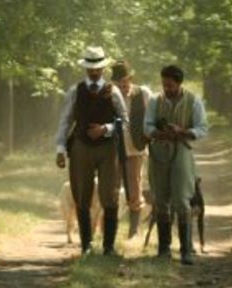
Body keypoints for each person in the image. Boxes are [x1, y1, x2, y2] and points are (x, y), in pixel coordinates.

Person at [55, 46, 128, 256]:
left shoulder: (113, 91)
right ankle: (86, 245)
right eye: (91, 69)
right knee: (81, 195)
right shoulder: (75, 91)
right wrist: (60, 148)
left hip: (107, 147)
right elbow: (66, 121)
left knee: (110, 194)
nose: (94, 72)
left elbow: (124, 120)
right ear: (86, 69)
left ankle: (109, 246)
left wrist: (106, 129)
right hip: (81, 146)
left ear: (103, 69)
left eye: (97, 69)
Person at [145, 65, 208, 265]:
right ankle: (164, 249)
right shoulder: (155, 100)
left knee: (182, 199)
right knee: (161, 198)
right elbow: (146, 125)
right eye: (164, 84)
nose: (167, 88)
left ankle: (186, 250)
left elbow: (202, 128)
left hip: (181, 150)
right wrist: (159, 133)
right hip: (159, 152)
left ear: (179, 83)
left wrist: (182, 131)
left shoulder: (193, 100)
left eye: (170, 85)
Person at [111, 61, 153, 239]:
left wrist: (150, 135)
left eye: (125, 81)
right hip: (114, 149)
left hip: (136, 148)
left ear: (130, 78)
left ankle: (133, 231)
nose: (123, 85)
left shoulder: (143, 93)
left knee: (134, 188)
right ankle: (110, 229)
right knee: (111, 188)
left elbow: (155, 114)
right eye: (119, 82)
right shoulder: (111, 95)